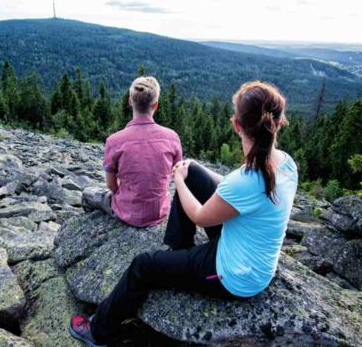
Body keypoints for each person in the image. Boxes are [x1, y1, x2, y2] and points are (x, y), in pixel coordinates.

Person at [69, 81, 298, 347]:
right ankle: (180, 248)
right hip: (246, 253)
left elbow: (200, 217)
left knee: (143, 265)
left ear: (236, 125)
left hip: (233, 275)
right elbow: (236, 191)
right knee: (196, 173)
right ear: (279, 122)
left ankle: (98, 332)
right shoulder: (285, 162)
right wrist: (195, 170)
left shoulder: (245, 179)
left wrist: (178, 179)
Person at [82, 76, 182, 228]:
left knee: (87, 194)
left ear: (130, 101)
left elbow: (111, 185)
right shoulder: (172, 137)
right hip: (159, 212)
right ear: (155, 105)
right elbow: (177, 174)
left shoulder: (114, 140)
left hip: (127, 213)